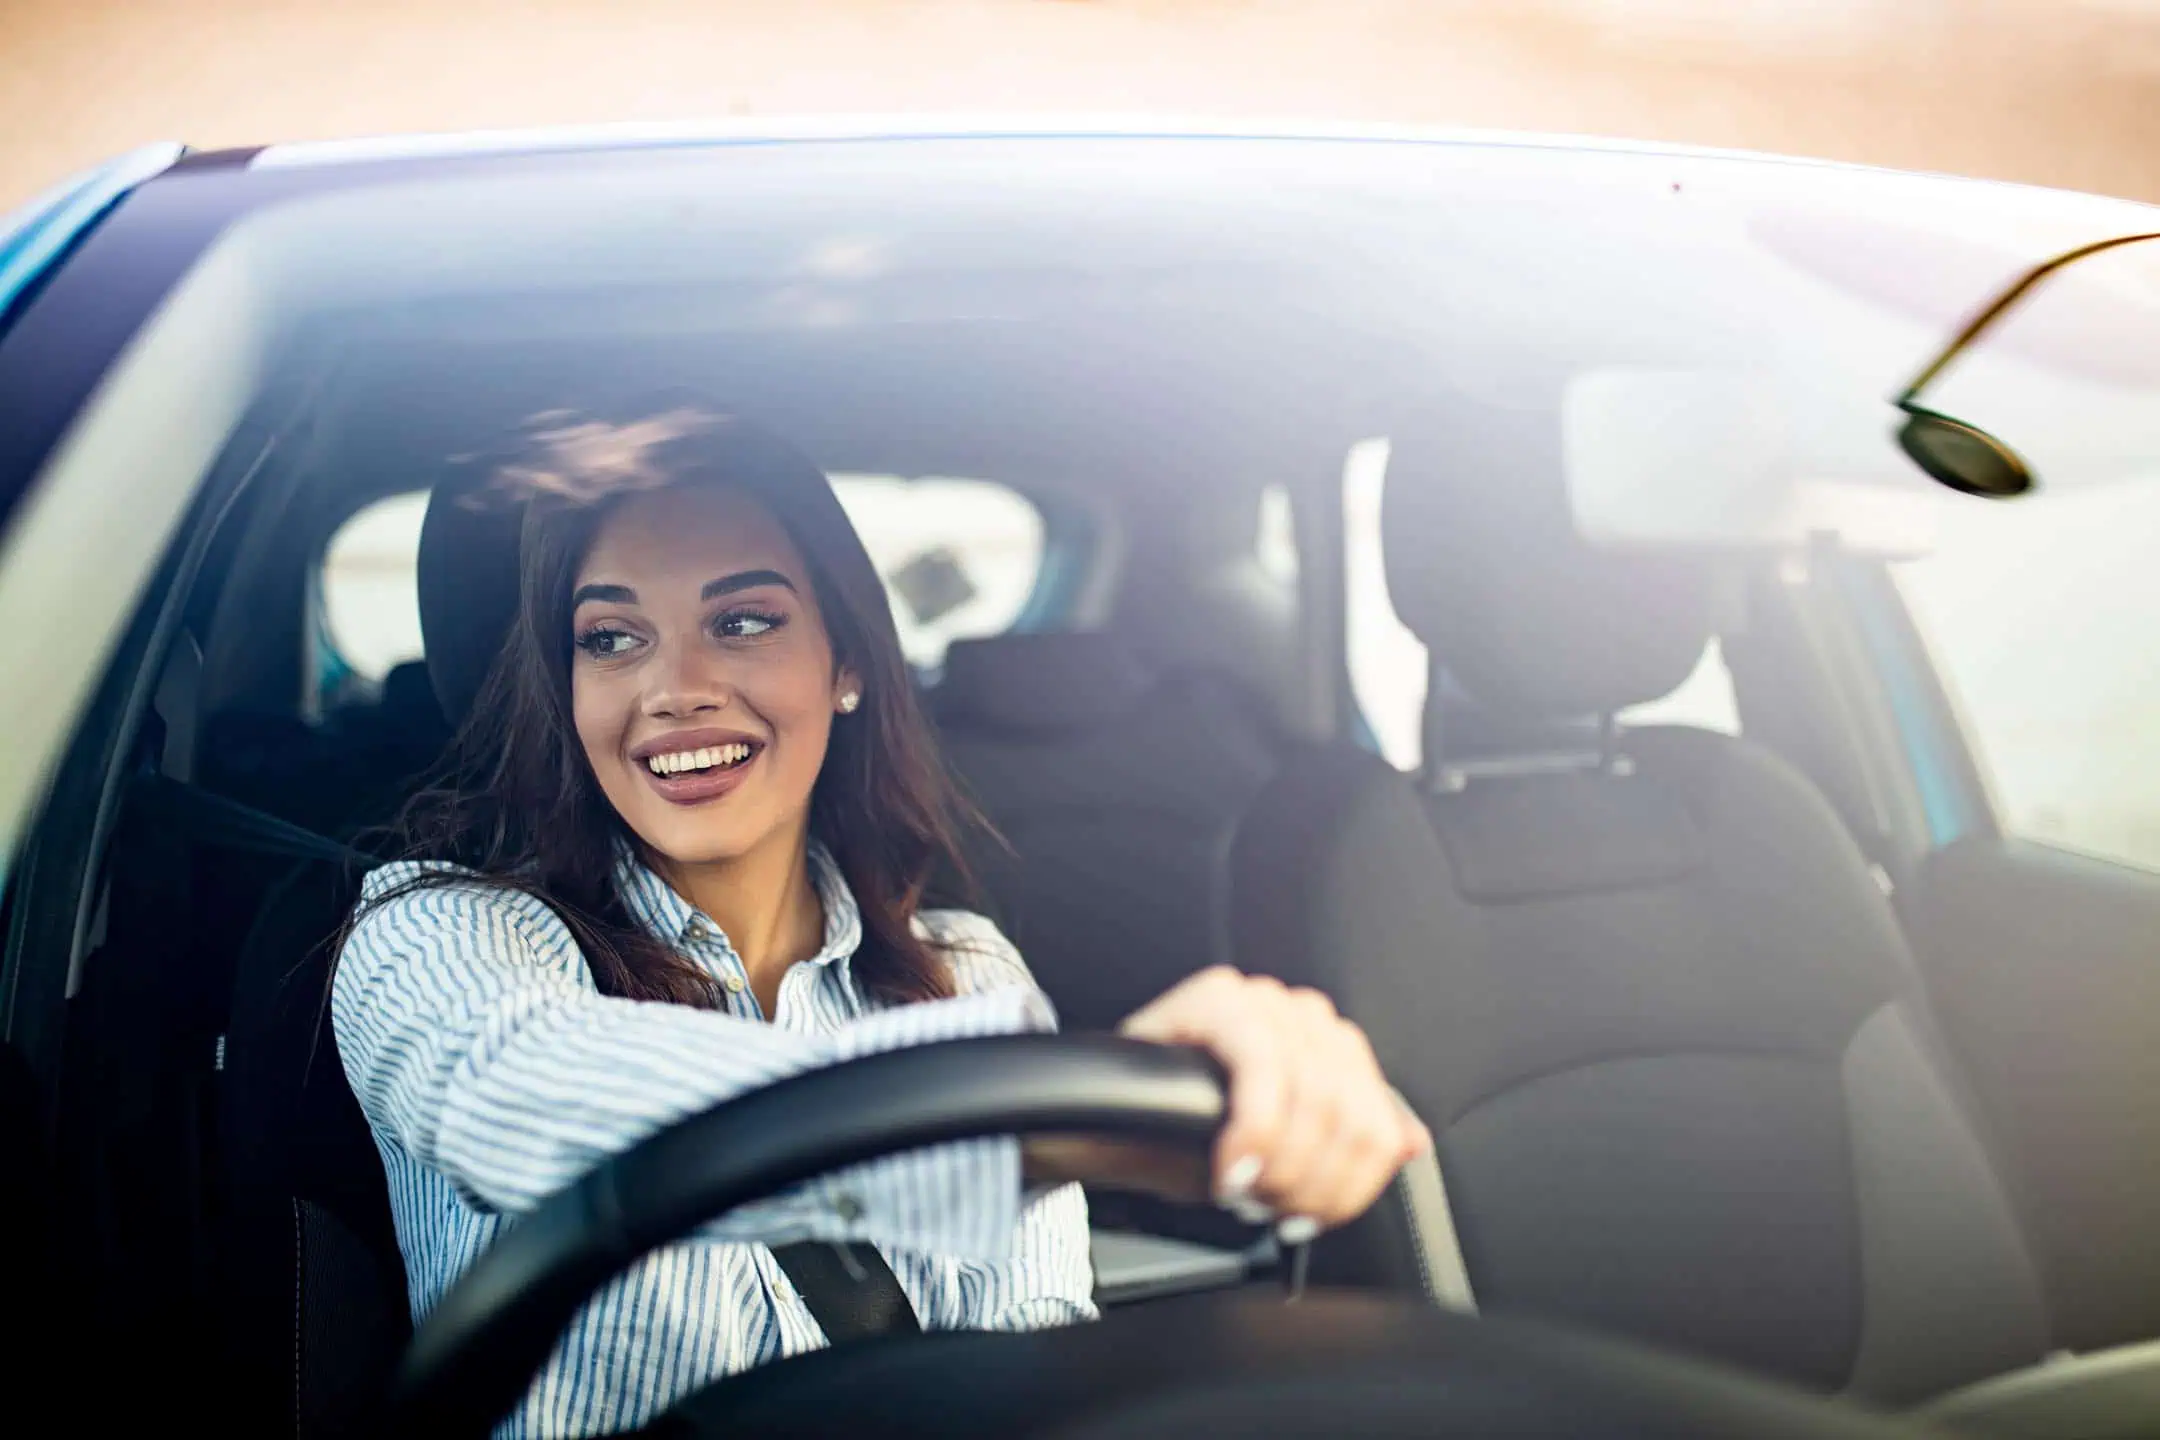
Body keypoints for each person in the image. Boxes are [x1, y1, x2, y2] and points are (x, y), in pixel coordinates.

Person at [331, 403, 1429, 1437]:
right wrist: (1033, 1126)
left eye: (744, 620)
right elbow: (510, 1093)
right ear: (564, 693)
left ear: (846, 662)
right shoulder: (437, 935)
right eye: (611, 640)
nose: (677, 689)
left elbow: (1032, 1356)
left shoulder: (966, 973)